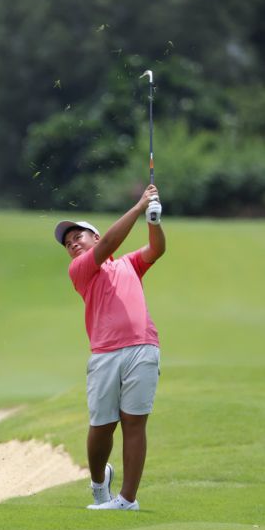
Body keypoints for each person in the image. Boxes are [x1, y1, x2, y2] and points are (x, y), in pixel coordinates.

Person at [53, 184, 165, 511]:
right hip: (104, 353)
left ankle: (127, 500)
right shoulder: (81, 269)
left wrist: (154, 220)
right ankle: (99, 485)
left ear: (95, 238)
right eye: (68, 242)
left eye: (79, 237)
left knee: (135, 423)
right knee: (102, 426)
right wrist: (140, 205)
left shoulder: (129, 264)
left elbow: (156, 249)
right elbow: (115, 240)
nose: (73, 243)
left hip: (143, 347)